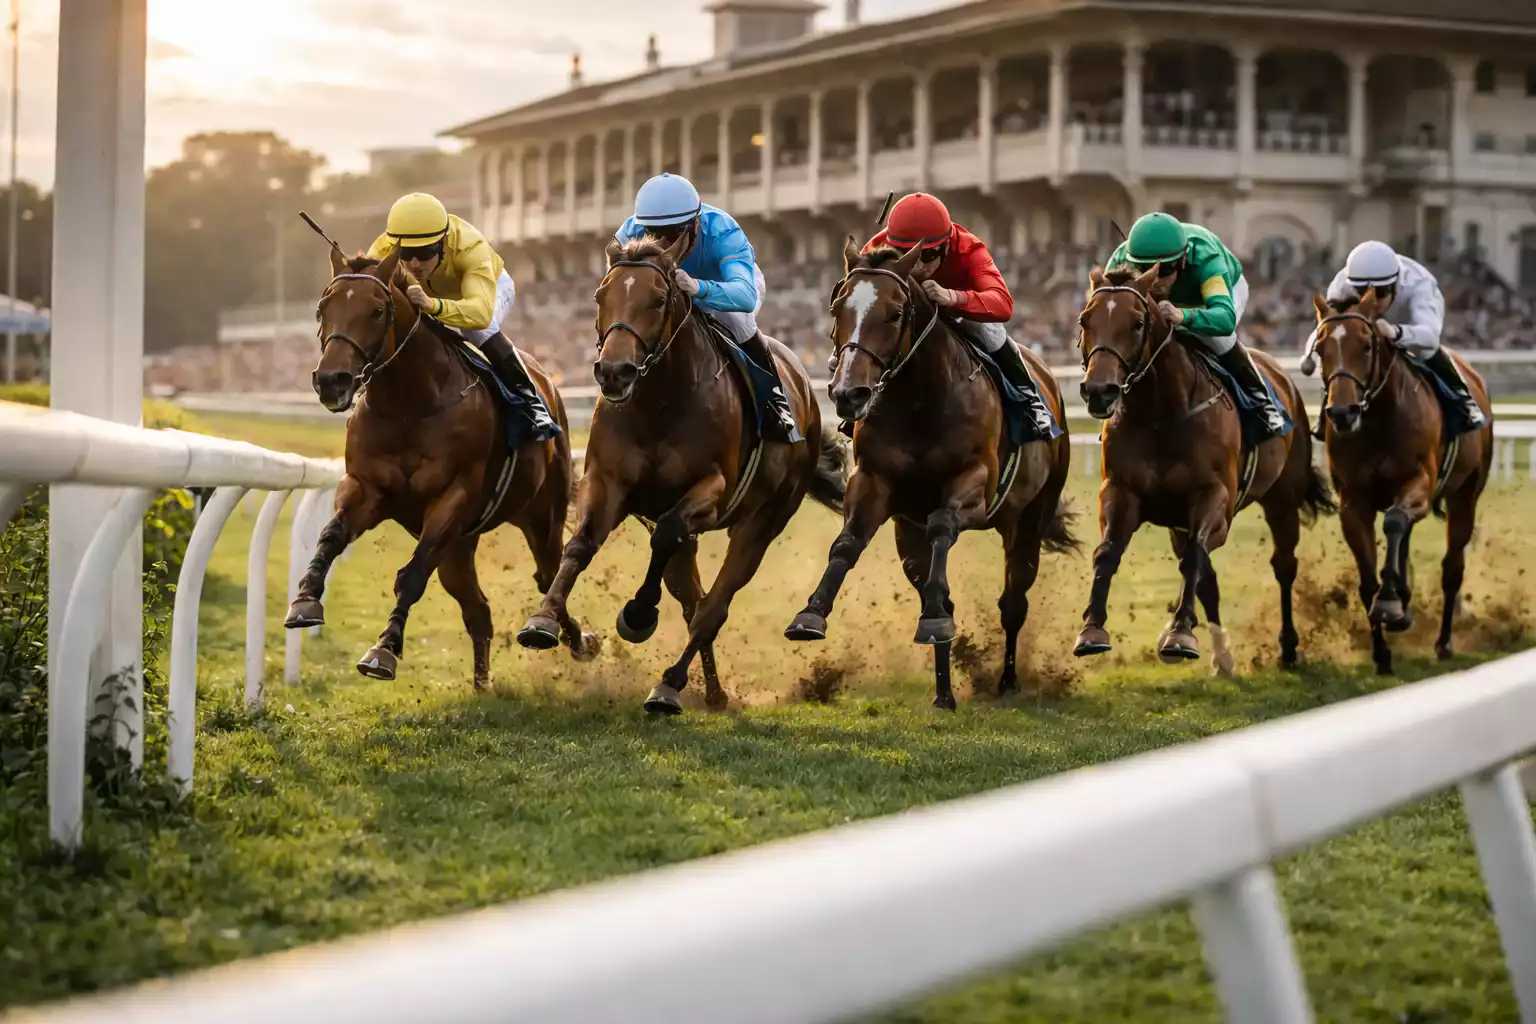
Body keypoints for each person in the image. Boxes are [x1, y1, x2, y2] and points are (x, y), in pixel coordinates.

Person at [613, 173, 799, 442]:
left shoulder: (723, 230)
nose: (664, 245)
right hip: (667, 291)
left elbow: (745, 296)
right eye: (655, 235)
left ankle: (773, 399)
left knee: (737, 320)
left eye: (674, 234)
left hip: (725, 286)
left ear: (696, 225)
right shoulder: (629, 232)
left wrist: (699, 288)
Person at [863, 192, 1055, 438]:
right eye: (907, 256)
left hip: (957, 313)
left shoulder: (969, 248)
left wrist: (953, 297)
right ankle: (856, 393)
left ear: (946, 244)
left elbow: (1003, 304)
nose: (919, 267)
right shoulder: (878, 247)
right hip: (904, 315)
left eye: (929, 255)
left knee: (992, 332)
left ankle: (1029, 400)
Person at [367, 192, 556, 436]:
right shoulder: (383, 248)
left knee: (477, 329)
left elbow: (479, 313)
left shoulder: (469, 246)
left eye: (425, 252)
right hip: (429, 297)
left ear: (442, 242)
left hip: (489, 291)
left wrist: (434, 306)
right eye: (406, 254)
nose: (414, 264)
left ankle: (533, 404)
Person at [1106, 211, 1287, 437]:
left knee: (1217, 338)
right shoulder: (1121, 262)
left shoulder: (1205, 259)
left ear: (1182, 260)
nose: (1156, 281)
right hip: (1172, 302)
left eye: (1166, 270)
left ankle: (1262, 400)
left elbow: (1224, 319)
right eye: (1145, 271)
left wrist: (1185, 317)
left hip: (1214, 296)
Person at [1310, 239, 1487, 430]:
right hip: (1367, 325)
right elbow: (1331, 331)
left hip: (1408, 320)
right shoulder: (1342, 284)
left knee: (1425, 352)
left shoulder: (1420, 285)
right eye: (1362, 292)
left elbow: (1429, 337)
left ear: (1394, 285)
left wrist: (1395, 331)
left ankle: (1463, 400)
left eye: (1382, 292)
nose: (1373, 300)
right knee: (1343, 352)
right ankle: (1327, 407)